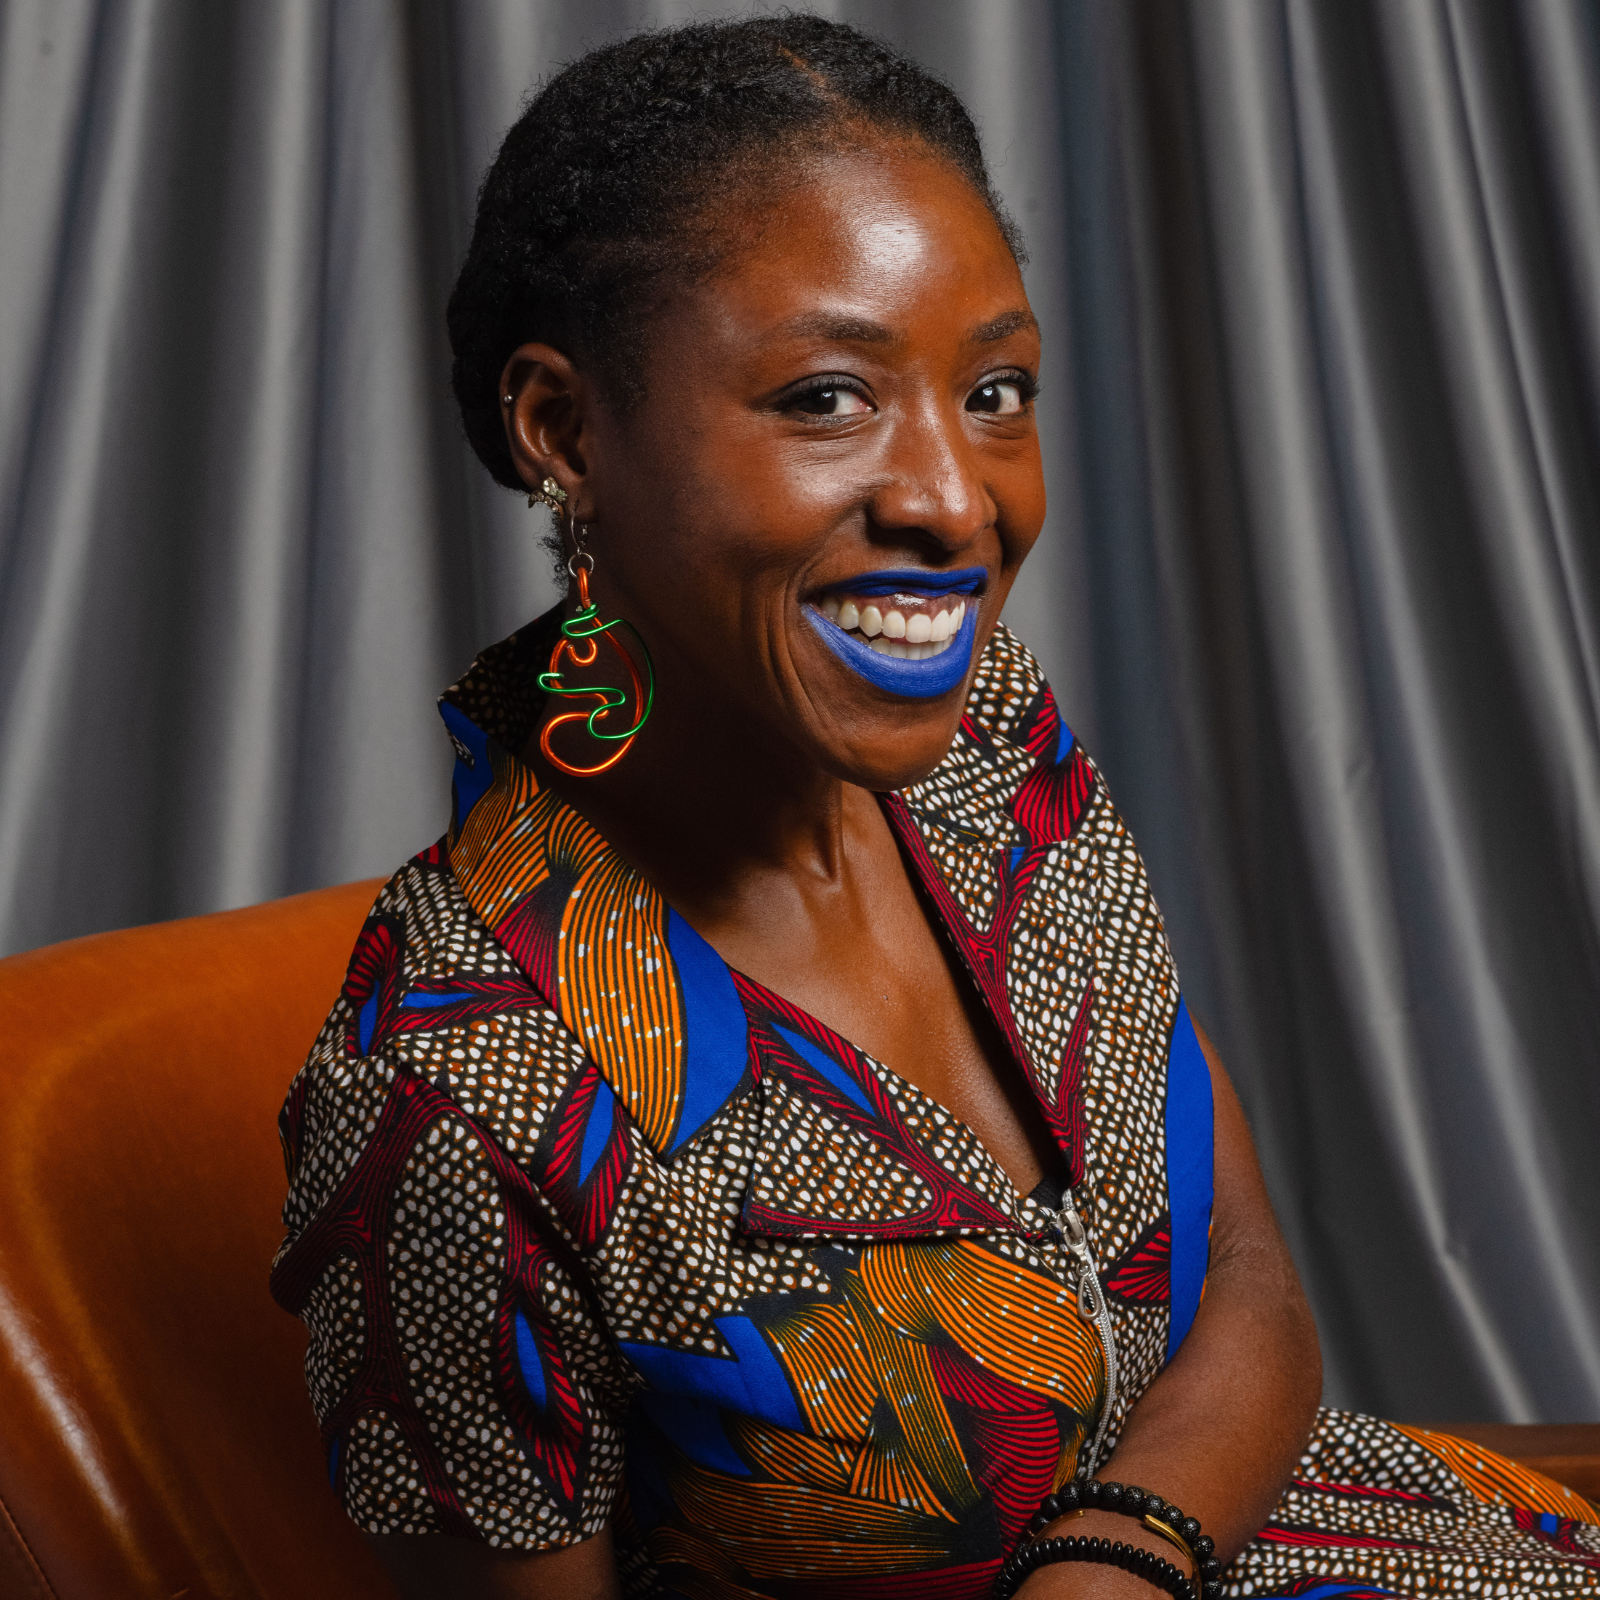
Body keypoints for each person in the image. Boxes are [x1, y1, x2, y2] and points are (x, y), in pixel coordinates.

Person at [271, 17, 1600, 1600]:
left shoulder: (988, 760)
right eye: (828, 398)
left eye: (997, 389)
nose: (958, 500)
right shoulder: (453, 1095)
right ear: (563, 430)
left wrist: (1114, 1565)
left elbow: (1244, 1281)